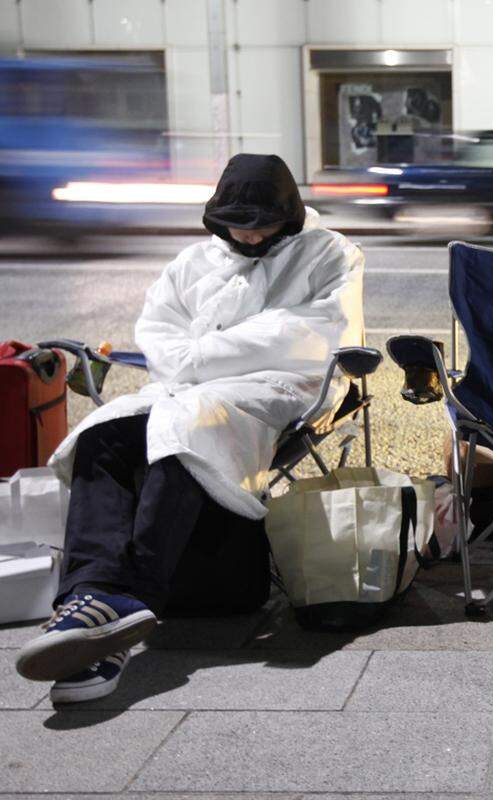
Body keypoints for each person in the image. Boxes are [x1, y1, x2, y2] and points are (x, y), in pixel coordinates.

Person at [14, 154, 365, 702]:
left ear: (290, 215)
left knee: (188, 429)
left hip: (279, 389)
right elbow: (157, 332)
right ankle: (91, 598)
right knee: (105, 433)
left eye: (263, 223)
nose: (249, 234)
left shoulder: (329, 254)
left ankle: (128, 596)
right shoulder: (192, 261)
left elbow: (307, 335)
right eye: (237, 222)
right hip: (185, 387)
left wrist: (198, 355)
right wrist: (207, 357)